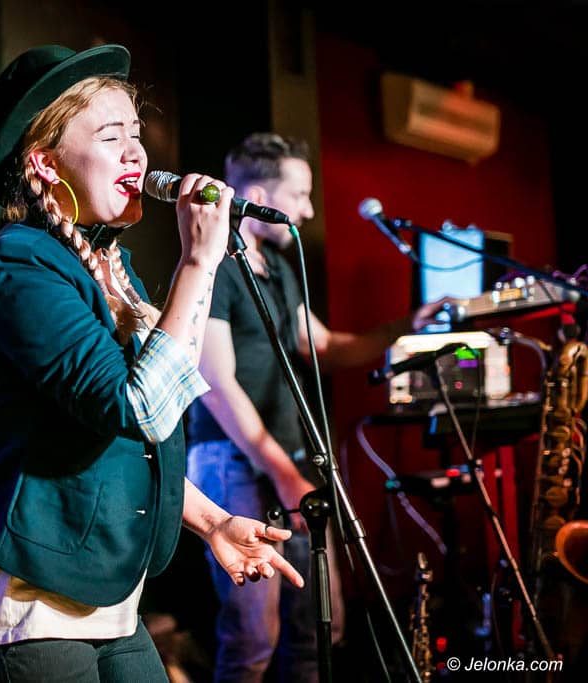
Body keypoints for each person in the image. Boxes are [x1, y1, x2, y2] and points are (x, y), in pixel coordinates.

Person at [0, 44, 304, 682]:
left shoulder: (111, 268)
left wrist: (215, 522)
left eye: (136, 135)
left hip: (108, 606)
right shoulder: (20, 264)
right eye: (112, 137)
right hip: (24, 613)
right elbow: (138, 407)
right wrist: (199, 262)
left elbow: (133, 438)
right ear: (44, 162)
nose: (137, 154)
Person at [186, 132, 446, 682]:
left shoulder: (277, 270)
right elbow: (217, 383)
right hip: (234, 462)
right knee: (254, 639)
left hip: (289, 459)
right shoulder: (217, 267)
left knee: (317, 630)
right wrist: (284, 474)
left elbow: (321, 345)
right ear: (259, 195)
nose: (307, 211)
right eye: (300, 196)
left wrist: (406, 327)